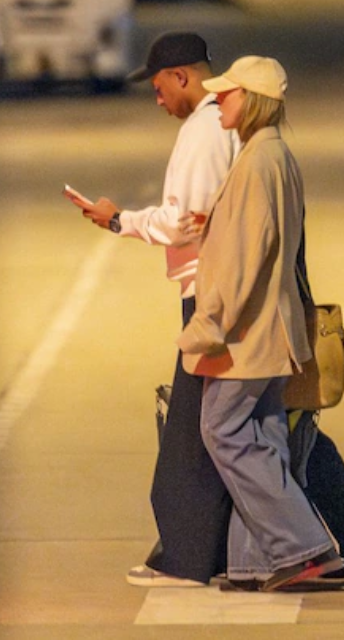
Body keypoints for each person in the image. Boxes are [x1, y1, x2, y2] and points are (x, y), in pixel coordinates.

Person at [68, 31, 238, 587]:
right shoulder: (221, 125)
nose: (157, 97)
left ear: (183, 76)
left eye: (160, 85)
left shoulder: (206, 130)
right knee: (256, 427)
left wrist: (120, 220)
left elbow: (183, 220)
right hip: (225, 291)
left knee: (192, 433)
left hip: (212, 296)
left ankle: (187, 559)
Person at [177, 55, 342, 591]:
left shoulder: (254, 164)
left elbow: (242, 260)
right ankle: (257, 561)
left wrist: (209, 324)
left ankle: (301, 547)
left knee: (222, 431)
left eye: (225, 94)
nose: (216, 100)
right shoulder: (274, 155)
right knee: (262, 435)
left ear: (250, 100)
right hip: (275, 328)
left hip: (247, 332)